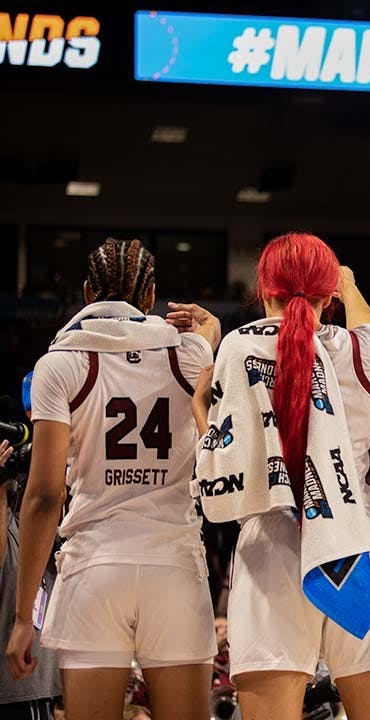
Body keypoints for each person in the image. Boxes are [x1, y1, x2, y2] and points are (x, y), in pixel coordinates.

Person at [192, 233, 370, 720]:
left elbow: (222, 475)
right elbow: (369, 326)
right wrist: (348, 285)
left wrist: (200, 408)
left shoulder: (235, 347)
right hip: (353, 540)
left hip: (271, 549)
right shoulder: (364, 351)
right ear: (329, 294)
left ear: (264, 289)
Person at [6, 238, 221, 720]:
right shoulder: (188, 355)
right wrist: (213, 335)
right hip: (174, 568)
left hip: (94, 571)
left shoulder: (58, 365)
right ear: (150, 297)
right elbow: (209, 377)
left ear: (86, 292)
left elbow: (43, 497)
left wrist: (24, 619)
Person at [0, 440, 63, 719]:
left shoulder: (38, 523)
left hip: (43, 688)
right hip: (12, 691)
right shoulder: (7, 520)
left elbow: (52, 499)